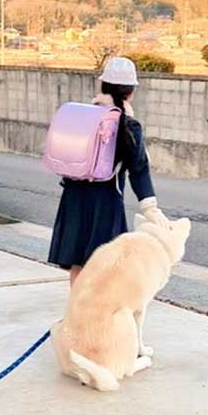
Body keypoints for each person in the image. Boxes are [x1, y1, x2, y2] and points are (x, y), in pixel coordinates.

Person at [48, 56, 170, 286]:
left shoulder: (84, 115)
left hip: (74, 196)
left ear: (102, 85)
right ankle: (98, 318)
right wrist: (150, 206)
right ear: (131, 92)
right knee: (105, 269)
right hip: (106, 201)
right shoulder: (127, 124)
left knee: (78, 265)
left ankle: (77, 315)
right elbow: (139, 168)